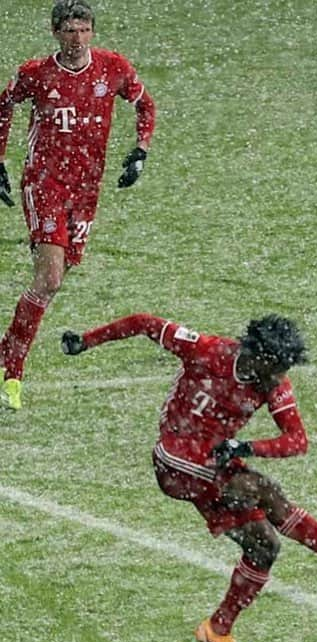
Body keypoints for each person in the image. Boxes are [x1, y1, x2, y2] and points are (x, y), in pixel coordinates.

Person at [61, 313, 317, 642]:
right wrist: (87, 340)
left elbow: (297, 441)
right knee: (263, 490)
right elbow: (145, 323)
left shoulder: (272, 383)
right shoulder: (207, 350)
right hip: (175, 460)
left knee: (264, 547)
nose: (279, 378)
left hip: (213, 463)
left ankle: (218, 628)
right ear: (255, 354)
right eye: (275, 367)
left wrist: (246, 446)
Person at [0, 1, 156, 410]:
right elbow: (3, 105)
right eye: (69, 31)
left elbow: (145, 104)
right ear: (55, 33)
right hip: (45, 182)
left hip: (86, 189)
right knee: (49, 279)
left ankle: (5, 354)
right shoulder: (36, 74)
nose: (77, 39)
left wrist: (140, 151)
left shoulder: (112, 68)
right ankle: (12, 370)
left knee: (53, 283)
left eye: (84, 30)